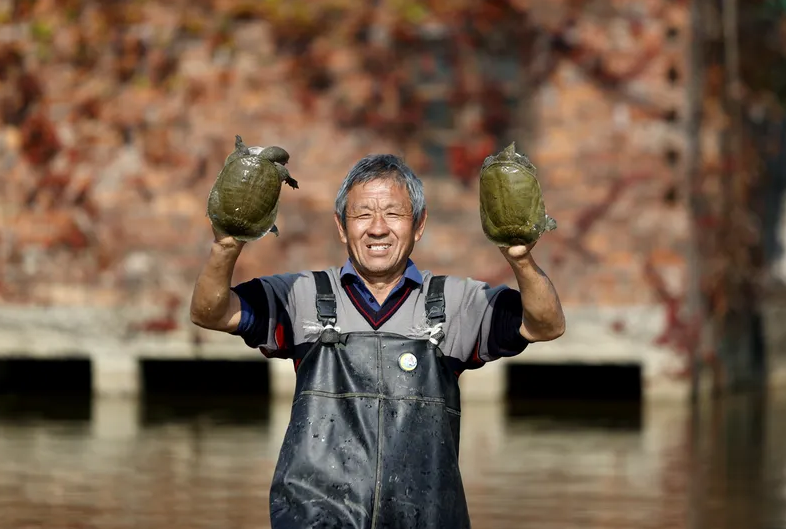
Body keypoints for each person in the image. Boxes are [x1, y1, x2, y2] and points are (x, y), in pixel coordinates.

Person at [190, 152, 565, 529]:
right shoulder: (301, 295)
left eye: (393, 214)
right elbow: (211, 313)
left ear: (418, 225)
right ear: (341, 226)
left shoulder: (456, 304)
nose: (378, 228)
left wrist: (520, 259)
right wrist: (227, 245)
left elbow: (545, 325)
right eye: (363, 214)